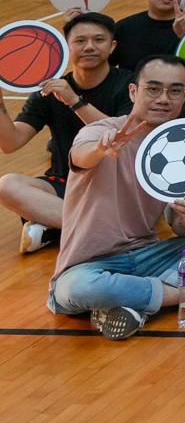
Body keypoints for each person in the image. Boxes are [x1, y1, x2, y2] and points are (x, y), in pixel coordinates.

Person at [47, 56, 185, 339]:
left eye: (175, 90)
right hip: (90, 265)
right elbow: (81, 156)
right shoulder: (100, 131)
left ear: (184, 95)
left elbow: (179, 227)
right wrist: (102, 149)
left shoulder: (184, 144)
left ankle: (138, 302)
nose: (164, 99)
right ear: (134, 92)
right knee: (77, 289)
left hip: (148, 256)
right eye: (153, 89)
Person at [0, 13, 130, 254]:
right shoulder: (49, 91)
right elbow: (11, 142)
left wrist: (74, 101)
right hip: (66, 183)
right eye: (80, 41)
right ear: (67, 47)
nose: (89, 46)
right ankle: (97, 230)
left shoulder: (129, 85)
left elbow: (122, 137)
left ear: (112, 46)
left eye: (98, 40)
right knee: (7, 185)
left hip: (115, 184)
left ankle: (54, 226)